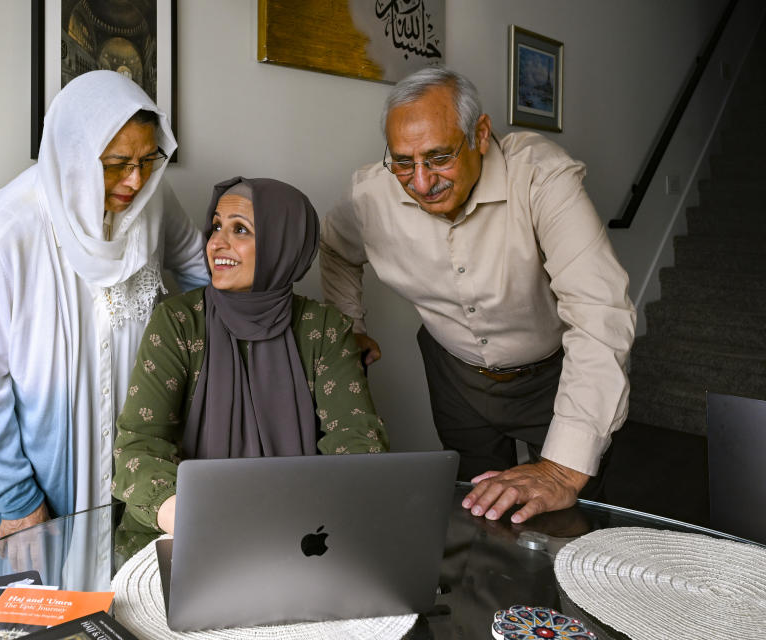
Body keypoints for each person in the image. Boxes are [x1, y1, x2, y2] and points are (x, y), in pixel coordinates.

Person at [320, 67, 635, 524]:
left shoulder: (541, 177)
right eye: (404, 162)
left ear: (480, 134)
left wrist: (562, 471)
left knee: (570, 518)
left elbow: (599, 313)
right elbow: (334, 248)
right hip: (455, 378)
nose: (423, 183)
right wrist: (352, 326)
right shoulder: (370, 195)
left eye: (439, 157)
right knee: (478, 511)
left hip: (553, 374)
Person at [0, 70, 210, 555]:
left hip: (130, 458)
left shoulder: (154, 202)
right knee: (38, 613)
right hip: (41, 473)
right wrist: (17, 499)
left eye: (148, 161)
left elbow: (202, 276)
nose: (135, 181)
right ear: (74, 155)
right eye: (116, 164)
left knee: (122, 611)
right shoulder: (13, 226)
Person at [112, 177, 389, 560]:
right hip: (189, 537)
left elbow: (358, 442)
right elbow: (138, 447)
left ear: (283, 244)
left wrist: (294, 524)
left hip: (302, 541)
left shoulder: (324, 329)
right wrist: (198, 518)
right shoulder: (178, 322)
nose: (216, 243)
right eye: (216, 226)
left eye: (239, 229)